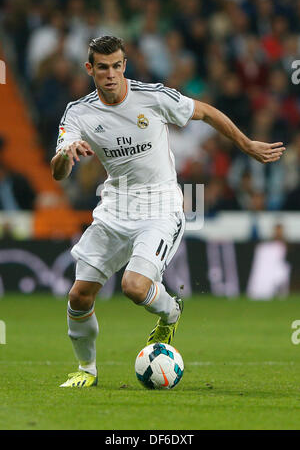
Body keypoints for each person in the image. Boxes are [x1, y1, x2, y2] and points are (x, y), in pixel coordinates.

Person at [51, 36, 285, 388]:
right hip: (115, 206)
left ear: (124, 65)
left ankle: (170, 310)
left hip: (160, 206)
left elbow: (205, 112)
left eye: (117, 66)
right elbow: (58, 172)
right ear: (90, 69)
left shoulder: (153, 97)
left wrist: (246, 144)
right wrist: (65, 155)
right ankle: (87, 371)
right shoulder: (79, 112)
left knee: (133, 286)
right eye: (103, 67)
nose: (111, 74)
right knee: (78, 296)